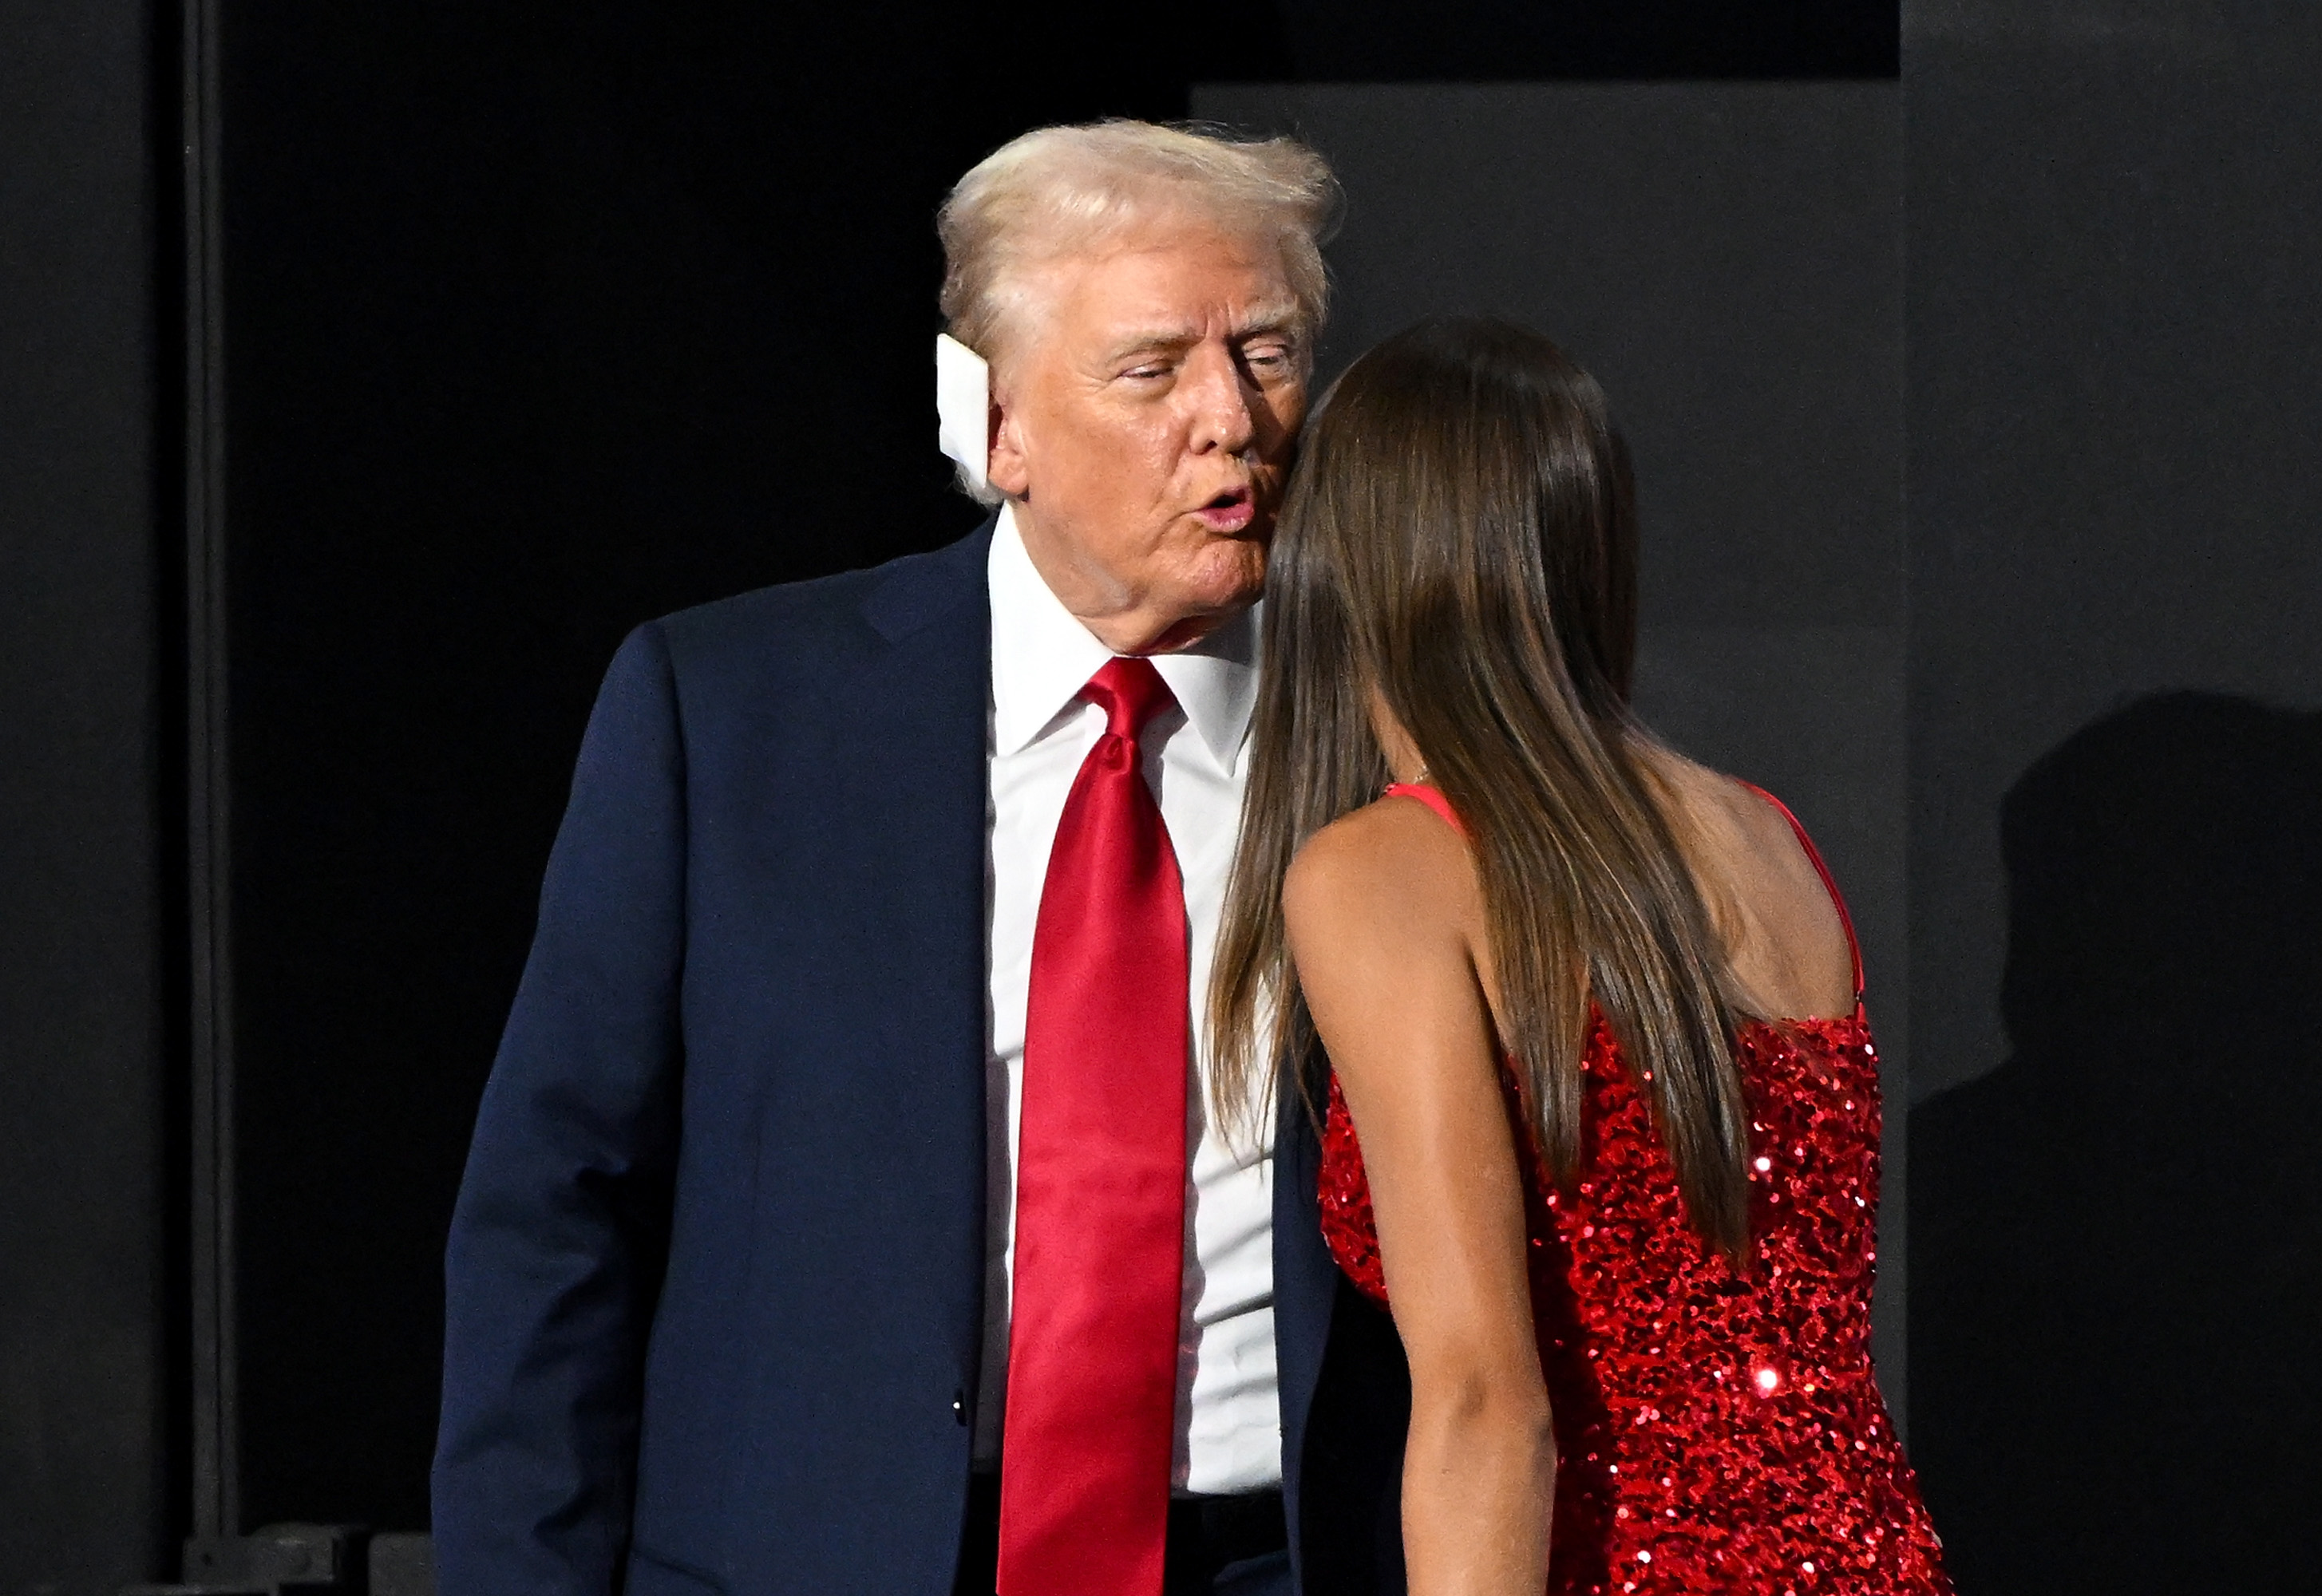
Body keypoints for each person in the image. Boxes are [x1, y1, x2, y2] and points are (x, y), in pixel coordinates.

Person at [433, 120, 1408, 1596]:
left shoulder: (1403, 733)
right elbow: (554, 1212)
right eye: (1153, 369)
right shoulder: (730, 716)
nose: (1232, 417)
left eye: (1266, 353)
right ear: (998, 424)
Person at [1209, 318, 1952, 1594]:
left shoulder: (1382, 873)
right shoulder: (1765, 835)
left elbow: (1491, 1407)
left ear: (1346, 551)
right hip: (1870, 1555)